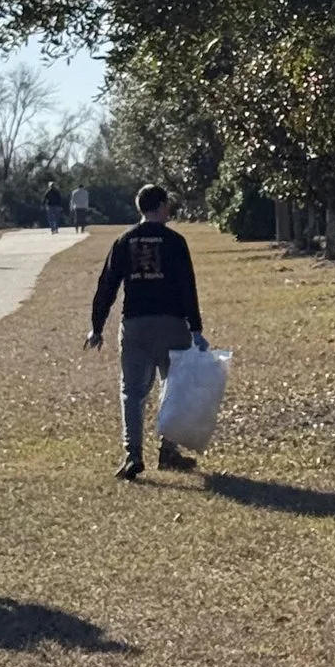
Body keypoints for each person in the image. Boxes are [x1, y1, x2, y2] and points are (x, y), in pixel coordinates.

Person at [85, 183, 206, 479]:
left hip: (135, 324)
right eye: (168, 205)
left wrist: (97, 326)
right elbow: (187, 286)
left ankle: (132, 454)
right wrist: (196, 327)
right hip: (172, 323)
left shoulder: (124, 241)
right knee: (173, 387)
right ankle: (168, 450)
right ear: (162, 205)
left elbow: (107, 285)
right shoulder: (176, 242)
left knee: (132, 391)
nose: (169, 211)